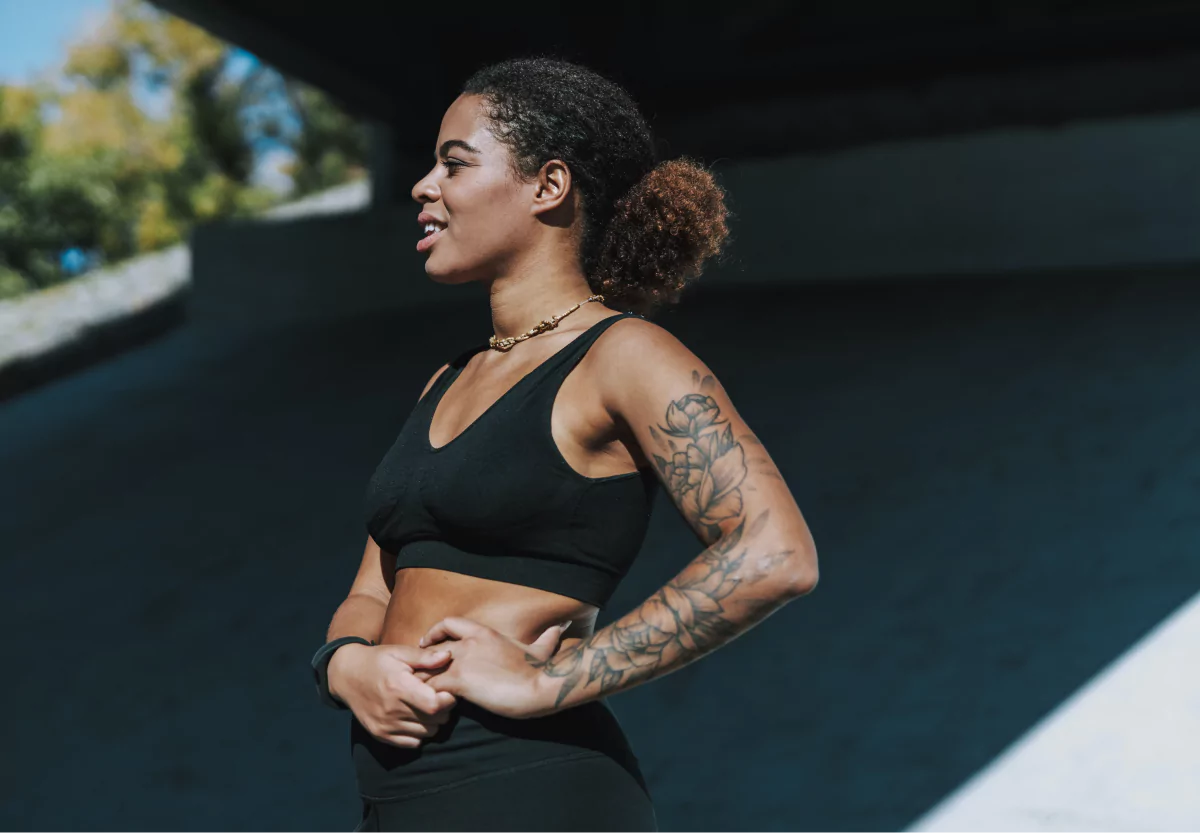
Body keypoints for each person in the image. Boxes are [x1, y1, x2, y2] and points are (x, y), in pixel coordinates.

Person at [311, 56, 819, 832]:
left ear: (548, 186)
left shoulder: (626, 357)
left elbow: (776, 553)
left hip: (529, 790)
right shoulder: (445, 381)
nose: (422, 186)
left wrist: (553, 681)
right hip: (398, 801)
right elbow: (374, 588)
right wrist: (347, 664)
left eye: (454, 163)